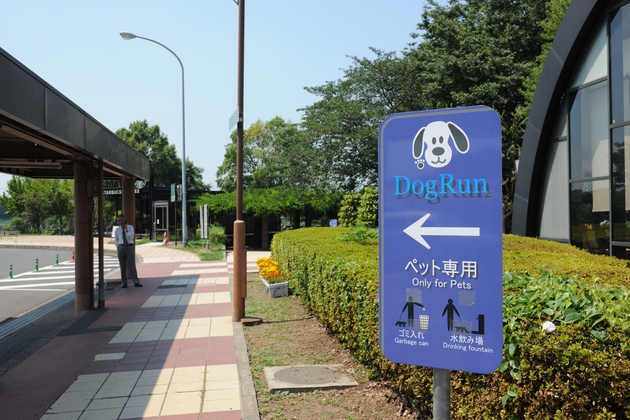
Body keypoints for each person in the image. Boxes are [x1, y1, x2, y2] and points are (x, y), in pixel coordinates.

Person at [114, 214, 142, 288]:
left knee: (131, 265)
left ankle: (136, 282)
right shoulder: (117, 230)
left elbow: (131, 237)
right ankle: (124, 283)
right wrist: (118, 247)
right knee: (122, 266)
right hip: (121, 247)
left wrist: (126, 230)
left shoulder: (130, 227)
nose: (120, 221)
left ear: (124, 220)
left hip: (129, 247)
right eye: (119, 220)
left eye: (121, 220)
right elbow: (116, 240)